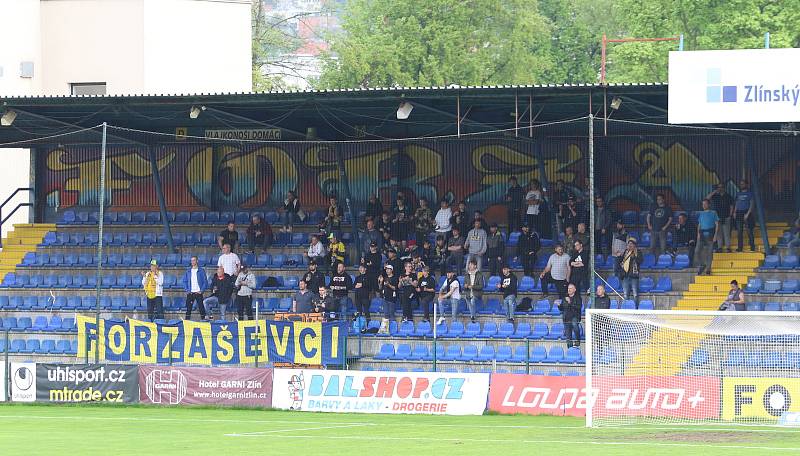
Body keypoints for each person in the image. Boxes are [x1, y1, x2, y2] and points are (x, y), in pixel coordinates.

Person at [696, 198, 720, 276]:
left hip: (710, 234)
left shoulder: (713, 213)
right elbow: (699, 225)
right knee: (697, 251)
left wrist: (715, 235)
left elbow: (717, 224)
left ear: (709, 204)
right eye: (703, 204)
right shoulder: (701, 213)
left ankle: (708, 269)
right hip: (702, 234)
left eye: (705, 204)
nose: (704, 205)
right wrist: (698, 235)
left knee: (709, 252)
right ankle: (702, 264)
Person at [707, 183, 734, 252]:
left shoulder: (728, 196)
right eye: (719, 187)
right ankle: (720, 247)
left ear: (724, 188)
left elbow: (731, 206)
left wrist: (730, 215)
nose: (720, 188)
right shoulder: (716, 196)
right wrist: (715, 191)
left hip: (726, 216)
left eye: (721, 187)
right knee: (719, 233)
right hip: (718, 217)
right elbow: (707, 198)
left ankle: (728, 247)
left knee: (726, 233)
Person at [181, 256, 208, 320]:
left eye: (194, 260)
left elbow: (205, 282)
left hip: (198, 293)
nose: (192, 262)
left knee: (201, 308)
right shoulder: (188, 271)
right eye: (191, 260)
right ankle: (186, 322)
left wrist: (201, 291)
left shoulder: (201, 270)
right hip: (190, 293)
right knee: (188, 309)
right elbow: (184, 281)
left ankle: (204, 321)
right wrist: (187, 290)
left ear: (197, 261)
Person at [618, 238, 643, 305]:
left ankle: (636, 308)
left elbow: (640, 261)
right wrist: (619, 256)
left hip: (634, 276)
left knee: (635, 295)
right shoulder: (625, 252)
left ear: (634, 245)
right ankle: (627, 308)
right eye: (629, 244)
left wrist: (634, 256)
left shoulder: (638, 252)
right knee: (626, 295)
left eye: (631, 244)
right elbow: (620, 263)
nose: (630, 245)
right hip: (625, 276)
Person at [734, 179, 755, 252]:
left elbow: (752, 204)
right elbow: (737, 203)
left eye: (743, 184)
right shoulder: (738, 193)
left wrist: (748, 213)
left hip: (746, 212)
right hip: (739, 212)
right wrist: (734, 212)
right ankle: (740, 248)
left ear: (746, 184)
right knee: (739, 231)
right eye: (741, 184)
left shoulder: (750, 193)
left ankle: (752, 247)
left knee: (749, 231)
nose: (742, 185)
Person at [463, 259, 485, 323]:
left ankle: (472, 316)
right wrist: (465, 286)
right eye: (469, 265)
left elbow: (481, 286)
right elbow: (463, 286)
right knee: (468, 299)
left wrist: (473, 286)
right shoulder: (467, 275)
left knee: (472, 300)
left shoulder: (479, 275)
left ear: (475, 266)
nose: (469, 266)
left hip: (477, 293)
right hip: (468, 293)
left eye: (471, 265)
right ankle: (473, 315)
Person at [561, 283, 582, 348]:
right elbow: (562, 308)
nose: (569, 289)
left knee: (575, 325)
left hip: (575, 316)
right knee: (568, 338)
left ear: (574, 289)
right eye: (568, 288)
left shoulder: (578, 298)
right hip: (566, 318)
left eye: (570, 288)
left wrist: (570, 302)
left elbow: (578, 307)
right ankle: (570, 349)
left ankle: (577, 340)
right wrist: (559, 305)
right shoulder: (565, 298)